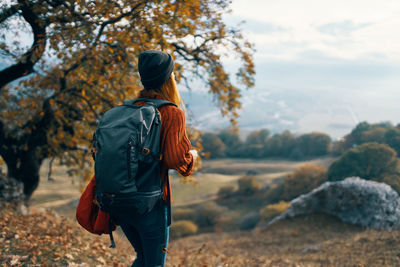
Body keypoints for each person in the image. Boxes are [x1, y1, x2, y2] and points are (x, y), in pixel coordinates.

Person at [109, 50, 197, 267]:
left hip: (118, 199)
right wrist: (191, 156)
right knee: (154, 264)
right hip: (150, 202)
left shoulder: (128, 109)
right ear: (169, 79)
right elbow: (177, 161)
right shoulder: (171, 112)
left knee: (142, 258)